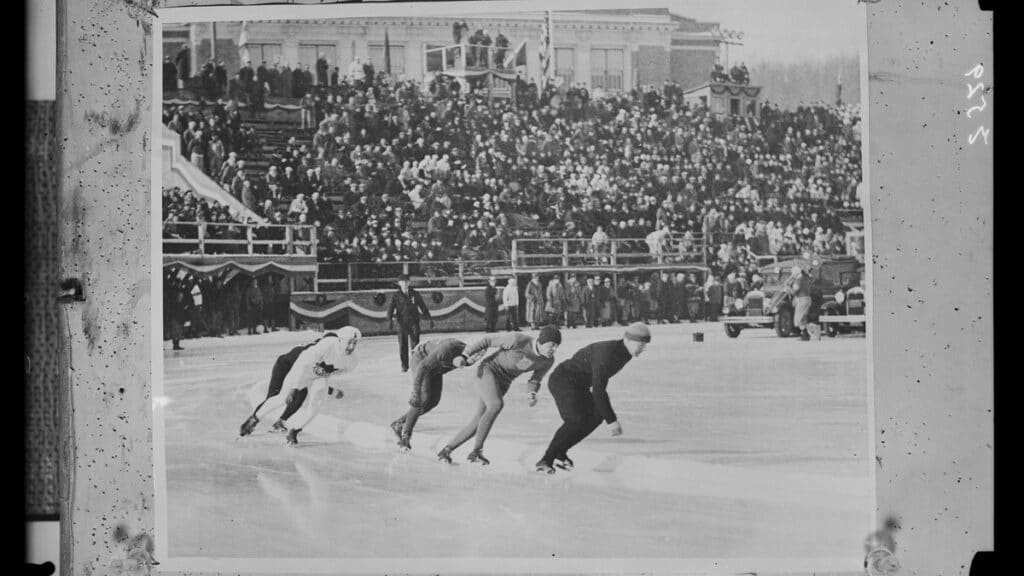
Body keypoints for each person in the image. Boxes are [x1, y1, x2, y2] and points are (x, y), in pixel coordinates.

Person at [535, 323, 650, 474]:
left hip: (578, 385)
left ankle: (559, 451)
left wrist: (606, 416)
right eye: (641, 344)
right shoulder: (609, 354)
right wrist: (612, 420)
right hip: (563, 380)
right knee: (575, 420)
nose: (643, 348)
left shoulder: (624, 353)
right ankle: (546, 459)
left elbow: (600, 382)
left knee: (596, 416)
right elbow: (598, 389)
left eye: (645, 344)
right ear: (628, 340)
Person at [436, 326, 561, 465]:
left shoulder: (548, 360)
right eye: (552, 345)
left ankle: (446, 450)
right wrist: (464, 356)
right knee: (496, 405)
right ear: (541, 342)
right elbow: (487, 340)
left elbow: (535, 379)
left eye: (557, 346)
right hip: (488, 371)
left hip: (504, 382)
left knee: (480, 421)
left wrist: (532, 394)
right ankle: (477, 451)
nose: (554, 349)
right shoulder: (518, 340)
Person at [239, 327, 361, 445]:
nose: (351, 347)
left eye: (355, 343)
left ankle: (295, 430)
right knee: (283, 397)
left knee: (317, 404)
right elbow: (301, 365)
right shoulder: (325, 346)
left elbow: (330, 373)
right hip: (297, 369)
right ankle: (253, 419)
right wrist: (295, 388)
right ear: (338, 340)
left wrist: (327, 387)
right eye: (349, 342)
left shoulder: (352, 361)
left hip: (316, 376)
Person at [388, 337, 480, 450]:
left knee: (433, 401)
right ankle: (405, 436)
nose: (468, 362)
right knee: (423, 398)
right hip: (421, 360)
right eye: (471, 357)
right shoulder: (448, 349)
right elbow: (423, 367)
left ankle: (399, 423)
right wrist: (416, 391)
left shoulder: (468, 358)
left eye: (475, 359)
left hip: (435, 367)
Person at [387, 273, 434, 372]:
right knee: (403, 345)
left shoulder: (415, 294)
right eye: (402, 282)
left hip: (414, 322)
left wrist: (430, 318)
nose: (404, 283)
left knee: (415, 344)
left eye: (406, 281)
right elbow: (390, 308)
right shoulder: (396, 295)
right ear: (399, 283)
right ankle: (404, 366)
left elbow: (422, 306)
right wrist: (389, 319)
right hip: (402, 323)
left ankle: (414, 364)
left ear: (409, 282)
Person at [786, 265, 813, 340]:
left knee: (799, 318)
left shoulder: (799, 280)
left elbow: (794, 292)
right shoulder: (805, 278)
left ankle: (805, 334)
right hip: (806, 299)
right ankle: (805, 334)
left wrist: (788, 288)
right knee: (802, 318)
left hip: (802, 300)